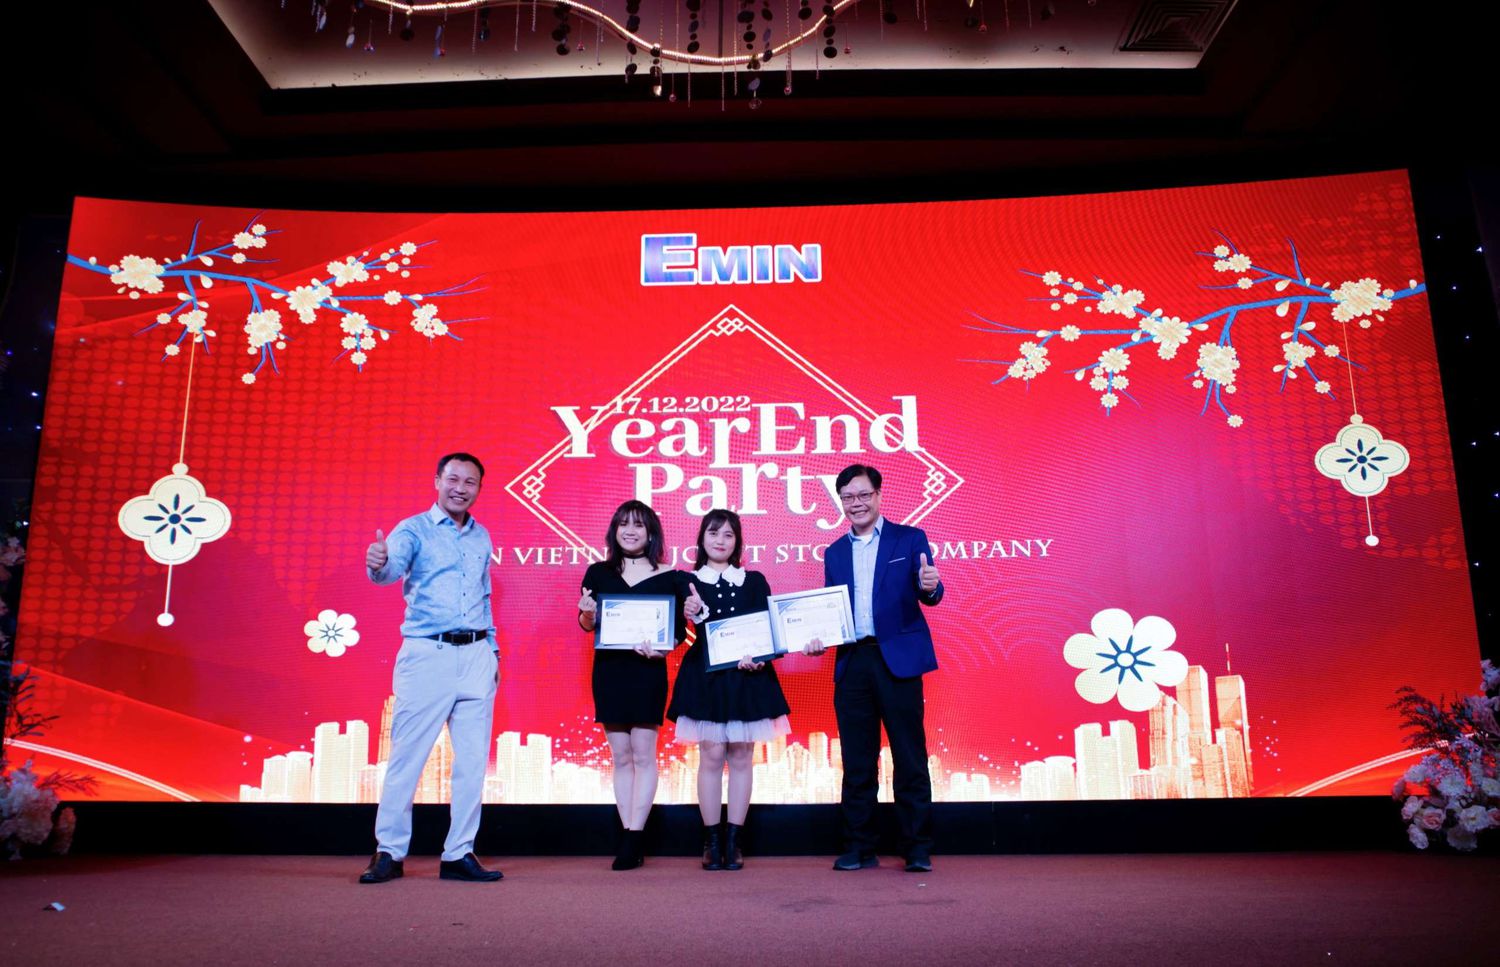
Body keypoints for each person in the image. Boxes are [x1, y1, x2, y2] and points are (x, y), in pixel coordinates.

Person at [359, 452, 503, 884]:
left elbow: (484, 595)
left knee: (473, 763)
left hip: (476, 655)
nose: (461, 488)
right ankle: (389, 852)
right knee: (407, 758)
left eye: (470, 482)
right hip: (428, 654)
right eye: (453, 479)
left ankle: (459, 853)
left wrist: (492, 651)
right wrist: (378, 563)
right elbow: (389, 571)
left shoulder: (481, 536)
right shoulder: (413, 529)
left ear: (479, 489)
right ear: (437, 481)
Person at [807, 464, 943, 873]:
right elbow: (831, 610)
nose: (857, 503)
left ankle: (916, 848)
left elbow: (930, 591)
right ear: (841, 502)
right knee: (857, 760)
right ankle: (859, 847)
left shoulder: (909, 538)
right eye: (848, 497)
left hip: (898, 660)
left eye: (864, 495)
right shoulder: (834, 552)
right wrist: (817, 638)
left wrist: (930, 586)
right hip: (853, 661)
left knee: (910, 757)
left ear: (879, 495)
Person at [577, 500, 702, 870]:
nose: (630, 531)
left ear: (651, 534)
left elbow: (678, 632)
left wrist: (665, 649)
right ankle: (626, 831)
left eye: (638, 525)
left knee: (644, 754)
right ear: (614, 531)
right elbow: (586, 624)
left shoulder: (671, 576)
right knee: (621, 756)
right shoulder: (598, 572)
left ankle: (635, 836)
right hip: (609, 672)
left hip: (648, 673)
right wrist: (587, 613)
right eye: (623, 525)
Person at [667, 509, 791, 871]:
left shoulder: (754, 580)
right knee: (710, 757)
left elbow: (767, 630)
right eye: (713, 533)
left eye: (728, 535)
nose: (720, 540)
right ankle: (711, 841)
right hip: (705, 677)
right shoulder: (687, 580)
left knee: (741, 758)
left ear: (737, 542)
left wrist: (760, 659)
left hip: (747, 678)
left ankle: (735, 841)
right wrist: (690, 609)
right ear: (701, 538)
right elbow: (678, 624)